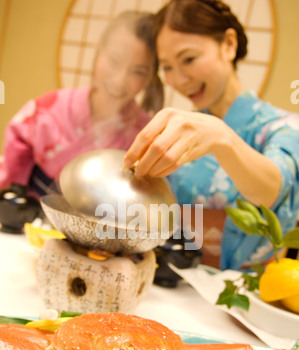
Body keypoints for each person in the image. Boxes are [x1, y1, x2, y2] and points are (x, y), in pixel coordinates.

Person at [124, 0, 299, 270]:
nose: (180, 80)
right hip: (175, 286)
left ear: (228, 45)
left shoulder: (285, 127)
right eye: (167, 67)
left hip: (244, 299)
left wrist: (221, 136)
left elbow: (275, 189)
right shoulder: (180, 131)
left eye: (189, 59)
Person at [0, 11, 164, 197]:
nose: (119, 81)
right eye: (114, 60)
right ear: (99, 47)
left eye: (138, 72)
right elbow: (10, 185)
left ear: (150, 77)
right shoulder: (47, 110)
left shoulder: (144, 136)